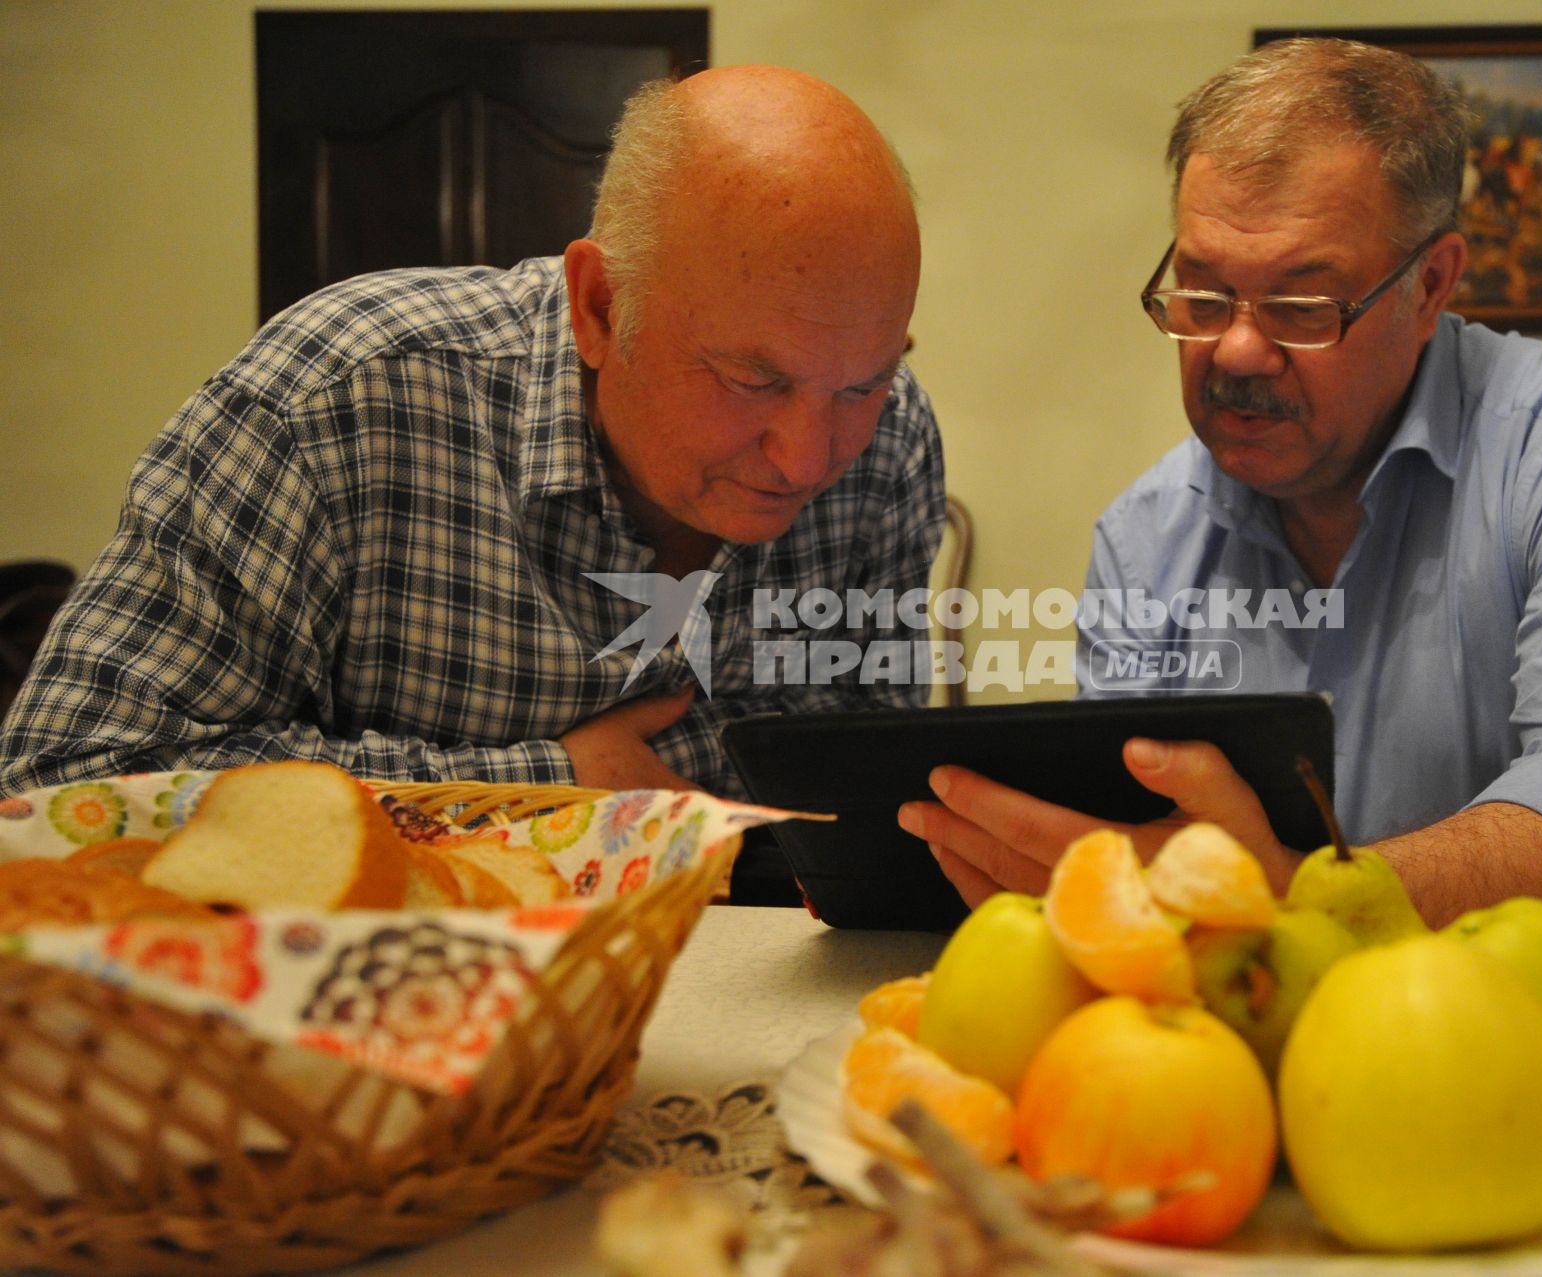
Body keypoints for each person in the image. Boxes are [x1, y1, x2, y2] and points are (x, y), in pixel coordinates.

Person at [898, 39, 1542, 949]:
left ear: (1432, 284)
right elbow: (1149, 852)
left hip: (1529, 1045)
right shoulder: (1145, 536)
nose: (1238, 352)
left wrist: (1304, 898)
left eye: (1303, 308)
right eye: (1204, 296)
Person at [0, 67, 941, 807]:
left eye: (861, 381)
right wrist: (540, 788)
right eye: (753, 378)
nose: (810, 457)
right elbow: (68, 781)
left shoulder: (892, 442)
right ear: (601, 307)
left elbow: (865, 773)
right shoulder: (335, 405)